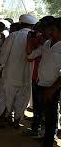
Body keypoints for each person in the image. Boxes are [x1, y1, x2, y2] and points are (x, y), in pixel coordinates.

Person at [0, 14, 37, 128]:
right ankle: (16, 122)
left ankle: (2, 119)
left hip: (10, 73)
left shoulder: (14, 35)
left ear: (21, 24)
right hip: (26, 76)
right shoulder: (36, 37)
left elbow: (4, 53)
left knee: (4, 96)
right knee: (21, 100)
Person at [27, 17, 61, 147]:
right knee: (44, 115)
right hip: (41, 84)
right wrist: (29, 40)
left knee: (51, 117)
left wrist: (52, 89)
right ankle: (45, 137)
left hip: (53, 88)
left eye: (52, 30)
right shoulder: (47, 44)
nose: (49, 32)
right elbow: (30, 56)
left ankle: (48, 141)